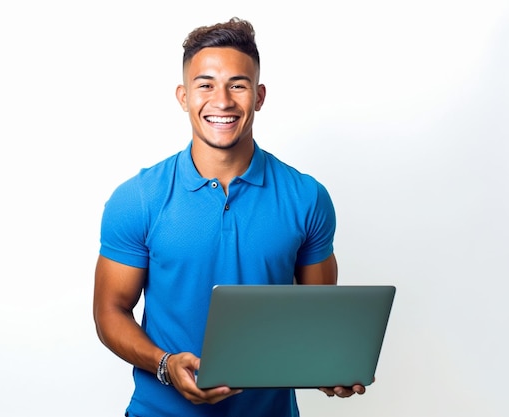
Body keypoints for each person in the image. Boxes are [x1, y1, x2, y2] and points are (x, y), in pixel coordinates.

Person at [93, 17, 367, 417]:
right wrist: (165, 365)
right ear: (183, 96)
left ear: (258, 96)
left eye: (237, 85)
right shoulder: (137, 198)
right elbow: (109, 311)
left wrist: (327, 369)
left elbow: (314, 322)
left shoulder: (307, 197)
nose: (221, 101)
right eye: (205, 84)